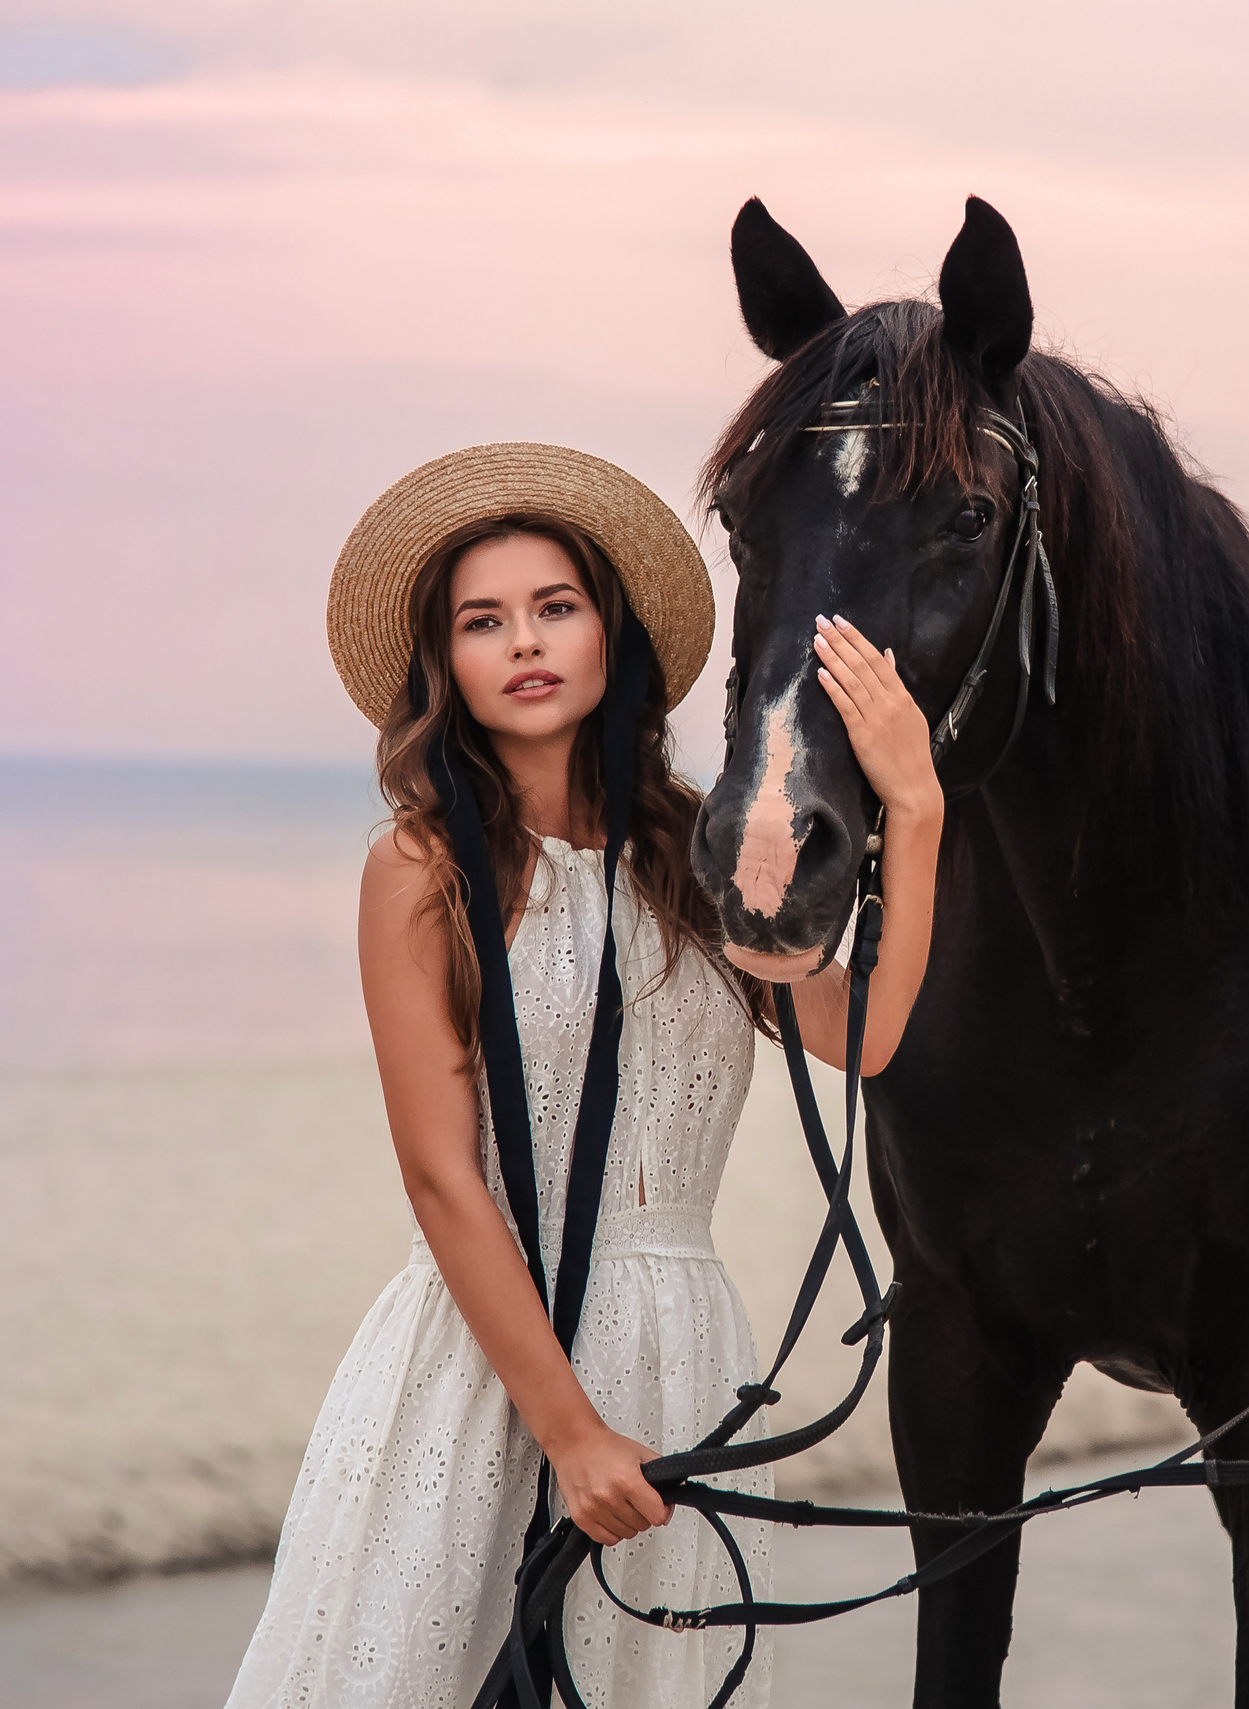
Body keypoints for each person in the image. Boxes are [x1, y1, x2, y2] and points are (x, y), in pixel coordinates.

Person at [225, 442, 942, 1708]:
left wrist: (917, 809)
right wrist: (565, 1425)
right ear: (443, 663)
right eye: (482, 621)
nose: (525, 641)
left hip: (678, 1349)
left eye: (554, 606)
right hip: (482, 1362)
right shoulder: (423, 866)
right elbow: (445, 1176)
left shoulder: (700, 850)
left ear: (609, 631)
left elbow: (861, 1034)